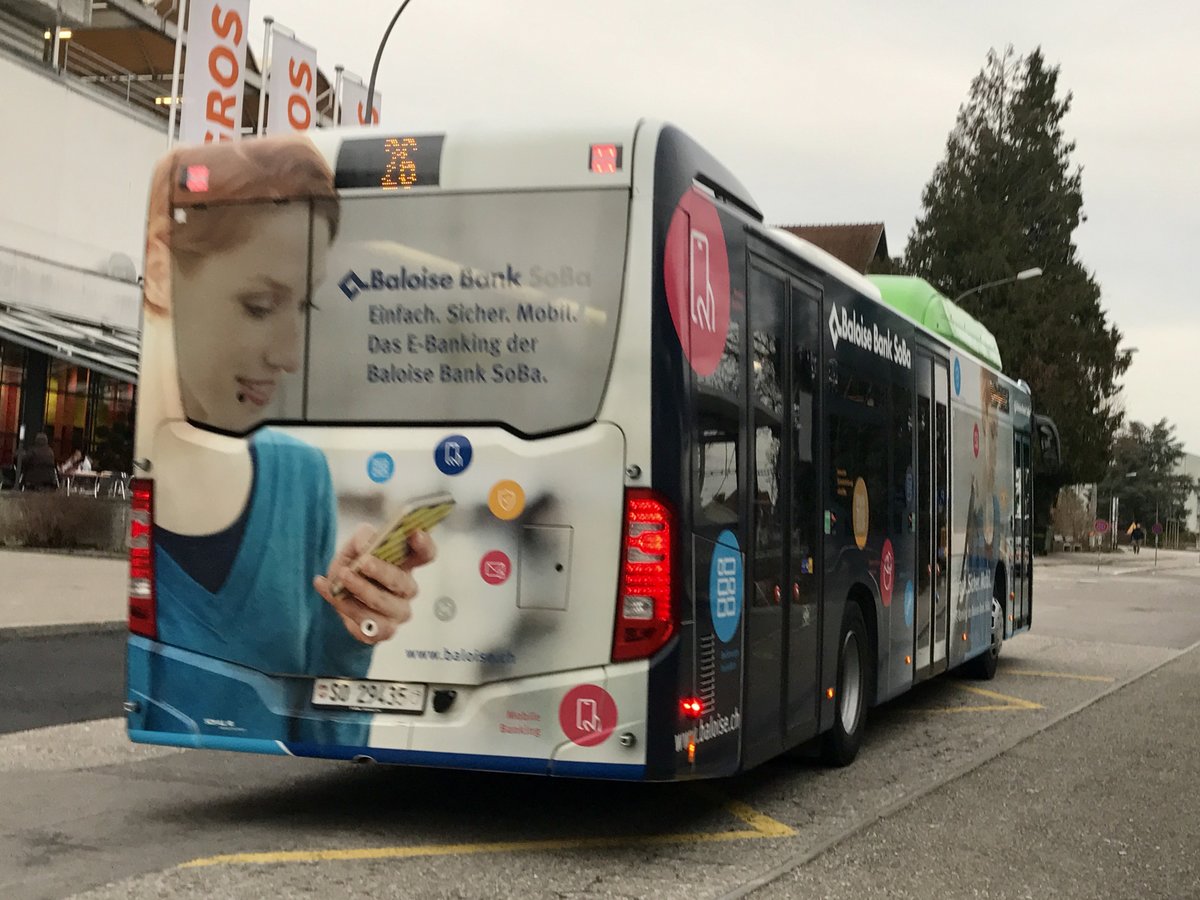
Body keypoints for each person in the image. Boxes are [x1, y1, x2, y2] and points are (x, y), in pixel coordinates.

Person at [138, 136, 437, 744]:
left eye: (303, 307)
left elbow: (318, 747)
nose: (291, 356)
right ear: (163, 272)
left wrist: (350, 635)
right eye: (258, 305)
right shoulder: (143, 503)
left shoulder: (300, 479)